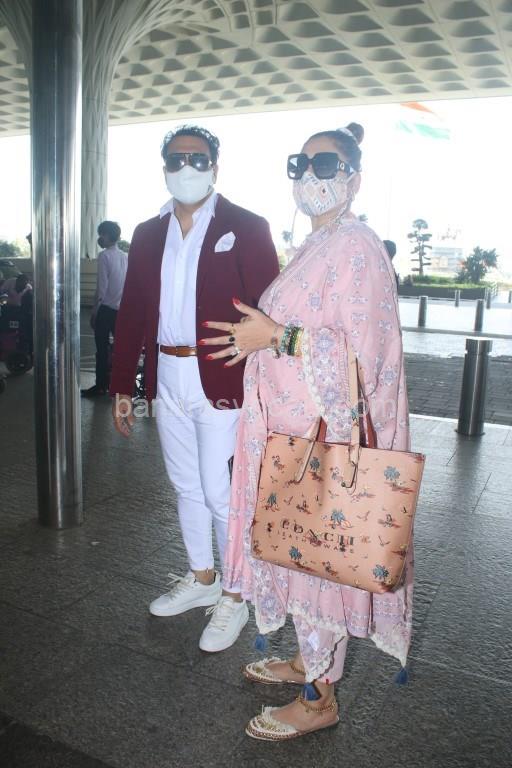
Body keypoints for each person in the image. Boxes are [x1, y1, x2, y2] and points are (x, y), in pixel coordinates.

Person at [201, 124, 412, 740]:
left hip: (322, 444)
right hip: (292, 438)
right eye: (301, 163)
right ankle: (308, 661)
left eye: (326, 164)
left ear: (354, 178)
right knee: (300, 554)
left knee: (320, 561)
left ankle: (320, 700)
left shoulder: (356, 246)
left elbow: (363, 359)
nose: (310, 176)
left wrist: (276, 337)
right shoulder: (319, 244)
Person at [109, 125, 279, 652]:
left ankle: (236, 591)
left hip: (222, 376)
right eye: (177, 158)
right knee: (185, 485)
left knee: (219, 490)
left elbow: (271, 307)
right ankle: (203, 578)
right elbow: (132, 311)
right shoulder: (147, 233)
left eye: (198, 158)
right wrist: (123, 385)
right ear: (164, 166)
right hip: (168, 373)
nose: (187, 167)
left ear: (215, 167)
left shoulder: (245, 226)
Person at [82, 221, 127, 398]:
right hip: (121, 312)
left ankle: (101, 386)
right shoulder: (125, 256)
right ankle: (119, 386)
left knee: (102, 349)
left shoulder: (104, 256)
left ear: (108, 236)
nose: (100, 238)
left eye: (102, 234)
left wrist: (94, 312)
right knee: (120, 350)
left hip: (106, 310)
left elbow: (102, 287)